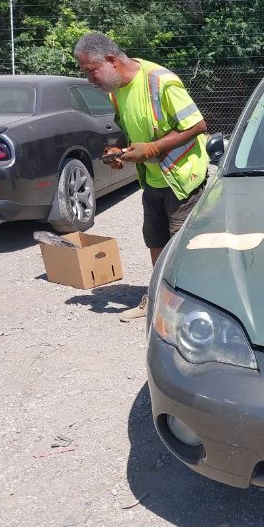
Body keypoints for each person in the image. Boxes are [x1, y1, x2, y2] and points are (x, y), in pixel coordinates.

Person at [74, 32, 208, 321]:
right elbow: (129, 129)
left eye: (91, 71)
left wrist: (151, 149)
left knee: (181, 246)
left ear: (111, 60)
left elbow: (197, 125)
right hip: (153, 179)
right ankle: (160, 299)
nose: (89, 79)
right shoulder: (116, 91)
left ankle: (191, 308)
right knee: (155, 238)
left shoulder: (161, 81)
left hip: (183, 177)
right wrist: (118, 152)